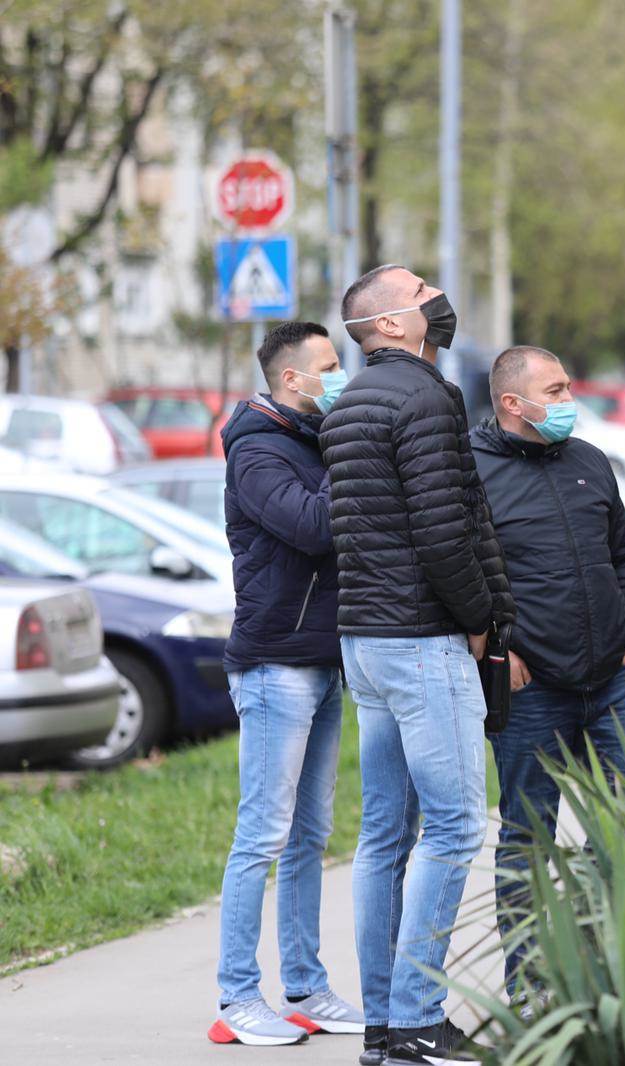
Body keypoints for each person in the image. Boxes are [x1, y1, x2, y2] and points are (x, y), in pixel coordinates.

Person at [320, 265, 515, 1066]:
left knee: (383, 837)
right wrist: (479, 622)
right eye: (423, 287)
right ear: (392, 324)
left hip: (365, 642)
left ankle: (382, 1025)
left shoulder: (349, 405)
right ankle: (417, 1021)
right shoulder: (427, 396)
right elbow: (446, 531)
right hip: (423, 639)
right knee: (457, 825)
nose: (438, 294)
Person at [469, 345, 625, 1006]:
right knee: (528, 839)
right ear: (515, 403)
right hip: (531, 689)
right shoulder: (472, 470)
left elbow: (623, 552)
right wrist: (497, 648)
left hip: (611, 679)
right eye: (558, 387)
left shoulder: (589, 461)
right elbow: (460, 574)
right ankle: (531, 991)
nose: (571, 397)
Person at [209, 321, 361, 1047]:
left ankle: (305, 987)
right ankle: (237, 995)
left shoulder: (310, 439)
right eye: (330, 366)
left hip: (324, 658)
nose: (341, 376)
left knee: (310, 835)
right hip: (274, 665)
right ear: (292, 378)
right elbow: (311, 526)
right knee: (263, 833)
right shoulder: (259, 450)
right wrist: (355, 458)